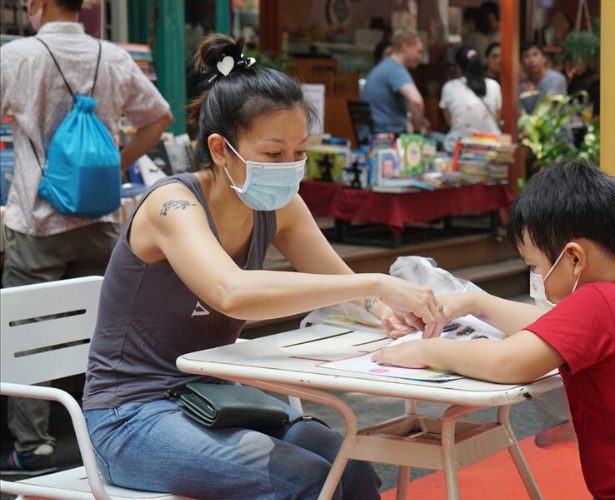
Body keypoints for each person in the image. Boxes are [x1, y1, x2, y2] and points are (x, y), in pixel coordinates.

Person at [81, 34, 446, 499]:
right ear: (219, 149)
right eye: (273, 154)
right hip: (129, 416)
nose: (289, 167)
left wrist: (382, 309)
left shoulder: (281, 206)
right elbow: (231, 291)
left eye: (298, 153)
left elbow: (344, 284)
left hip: (215, 397)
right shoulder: (170, 205)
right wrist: (375, 282)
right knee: (305, 480)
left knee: (349, 466)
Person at [374, 159, 615, 499]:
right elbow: (552, 328)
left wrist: (420, 349)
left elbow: (506, 362)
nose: (535, 277)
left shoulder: (597, 304)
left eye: (534, 265)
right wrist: (474, 304)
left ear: (575, 258)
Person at [0, 0, 172, 476]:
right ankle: (103, 431)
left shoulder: (17, 56)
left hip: (38, 219)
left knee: (26, 334)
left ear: (36, 5)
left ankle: (33, 447)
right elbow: (159, 116)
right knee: (103, 331)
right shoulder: (114, 57)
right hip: (101, 219)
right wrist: (117, 162)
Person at [361, 29, 427, 136]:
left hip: (375, 135)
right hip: (390, 137)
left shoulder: (382, 67)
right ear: (405, 47)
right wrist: (417, 129)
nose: (420, 57)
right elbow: (416, 101)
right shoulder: (395, 69)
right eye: (418, 51)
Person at [439, 46, 501, 152]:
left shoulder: (450, 87)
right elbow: (497, 118)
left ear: (458, 68)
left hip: (458, 148)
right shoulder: (494, 86)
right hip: (490, 148)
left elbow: (450, 122)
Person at [519, 40, 567, 114]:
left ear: (544, 58)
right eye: (526, 56)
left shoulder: (556, 79)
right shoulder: (522, 86)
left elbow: (544, 108)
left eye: (535, 54)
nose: (532, 60)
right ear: (522, 62)